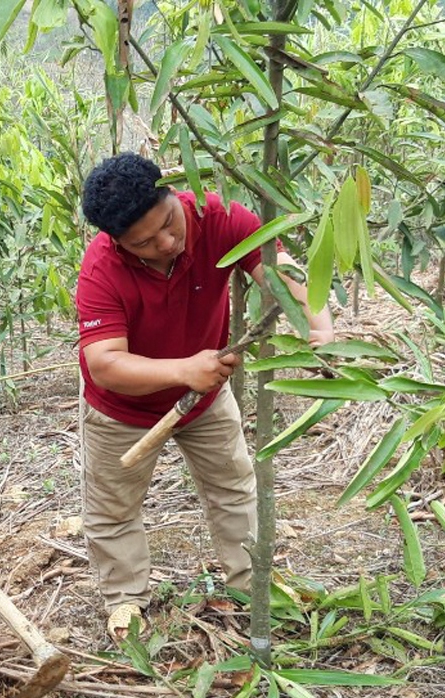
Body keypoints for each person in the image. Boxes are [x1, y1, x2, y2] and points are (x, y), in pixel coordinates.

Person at [76, 153, 334, 638]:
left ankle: (250, 584)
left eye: (169, 224)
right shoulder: (102, 269)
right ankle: (126, 599)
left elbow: (277, 268)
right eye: (145, 243)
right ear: (116, 241)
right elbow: (104, 364)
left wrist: (317, 327)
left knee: (234, 487)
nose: (167, 243)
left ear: (175, 194)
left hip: (207, 398)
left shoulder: (219, 216)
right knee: (113, 510)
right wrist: (184, 370)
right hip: (122, 410)